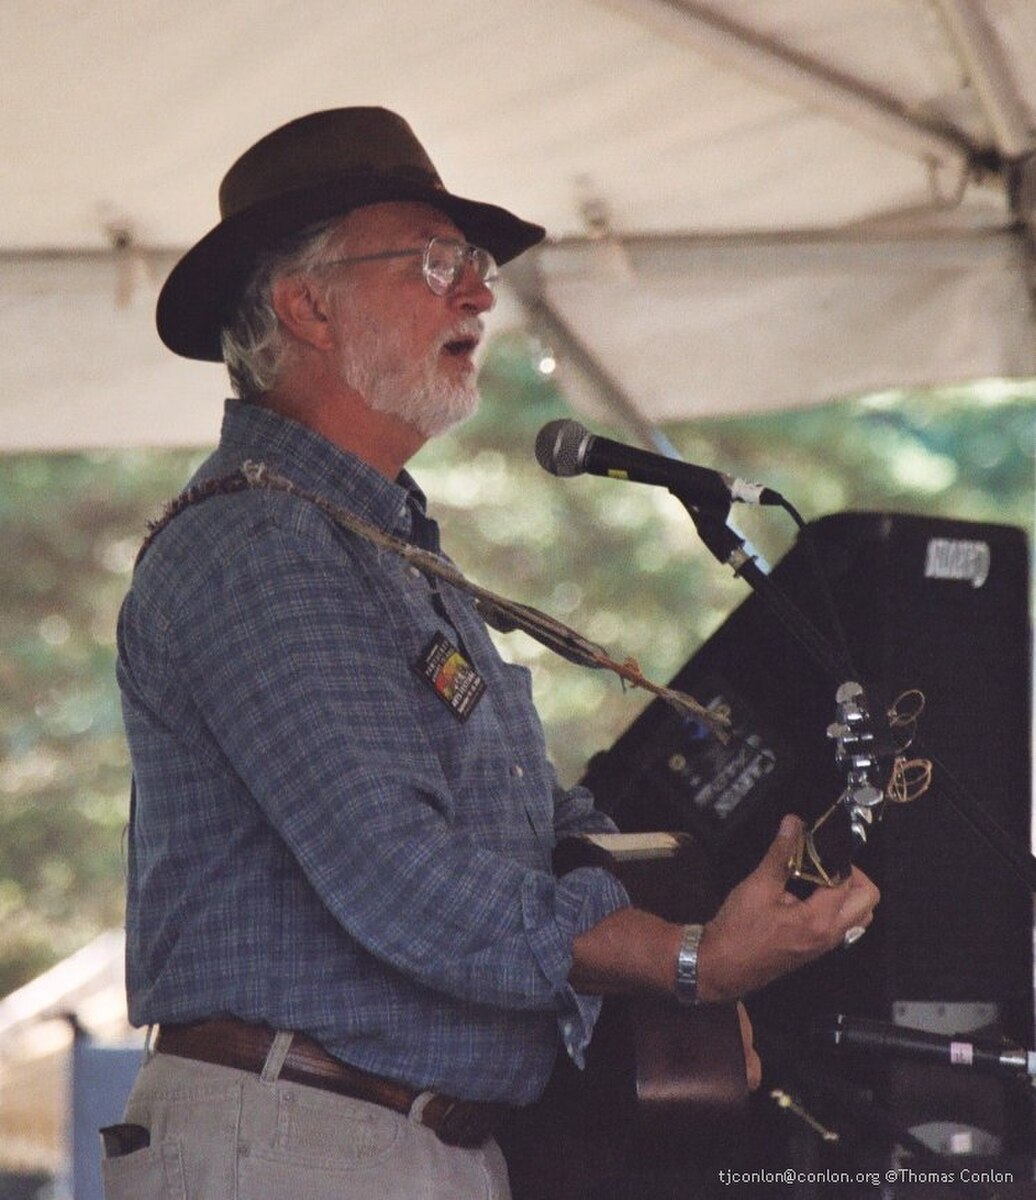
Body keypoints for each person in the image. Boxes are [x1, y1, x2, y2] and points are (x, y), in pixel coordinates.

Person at [104, 107, 879, 1200]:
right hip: (295, 1141)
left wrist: (687, 956)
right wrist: (687, 963)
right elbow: (402, 876)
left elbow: (530, 832)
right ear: (305, 305)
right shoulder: (255, 546)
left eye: (474, 266)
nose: (477, 293)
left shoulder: (378, 540)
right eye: (435, 263)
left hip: (400, 1141)